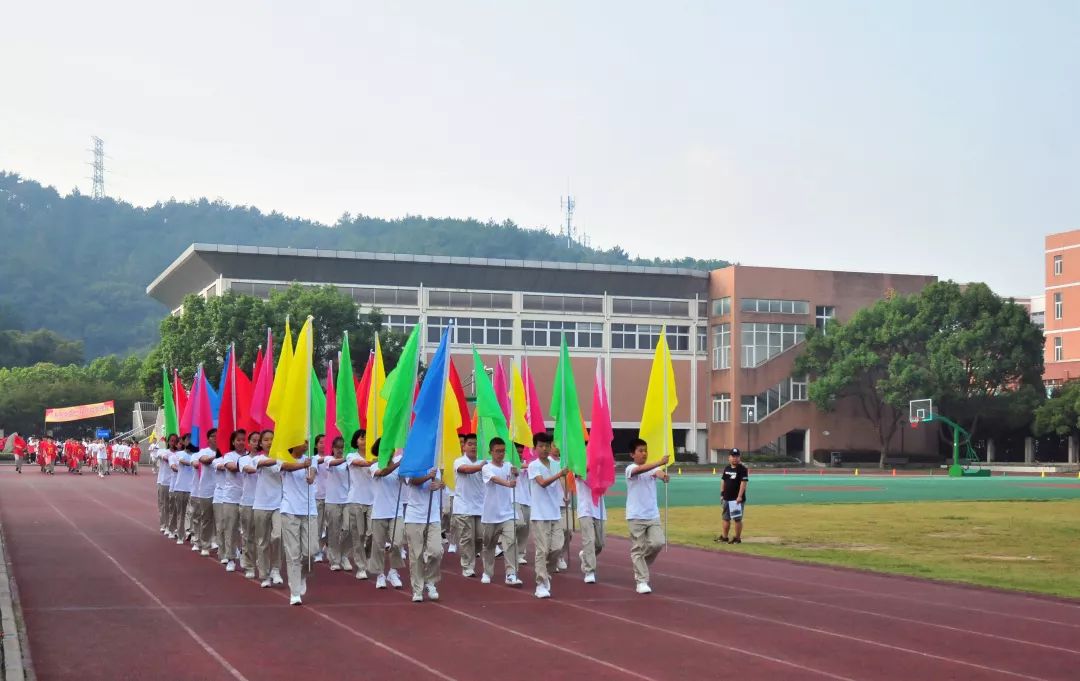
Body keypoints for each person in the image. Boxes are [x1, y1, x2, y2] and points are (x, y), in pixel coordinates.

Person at [528, 432, 570, 599]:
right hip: (539, 514)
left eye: (547, 446)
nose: (544, 449)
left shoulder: (554, 464)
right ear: (535, 448)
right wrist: (559, 475)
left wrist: (565, 495)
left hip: (554, 513)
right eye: (541, 446)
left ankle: (546, 572)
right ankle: (540, 583)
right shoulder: (534, 466)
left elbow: (560, 482)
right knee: (542, 550)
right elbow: (542, 483)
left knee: (557, 547)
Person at [625, 438, 669, 594]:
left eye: (645, 450)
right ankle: (641, 581)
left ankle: (640, 564)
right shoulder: (630, 468)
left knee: (658, 542)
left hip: (652, 515)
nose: (644, 453)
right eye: (640, 451)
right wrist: (659, 462)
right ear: (632, 454)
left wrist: (663, 475)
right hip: (636, 516)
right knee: (638, 547)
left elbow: (657, 472)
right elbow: (640, 470)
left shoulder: (651, 469)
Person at [278, 440, 318, 605]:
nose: (306, 445)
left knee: (311, 552)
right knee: (293, 552)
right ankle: (294, 592)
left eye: (307, 442)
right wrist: (302, 466)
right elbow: (286, 467)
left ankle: (302, 574)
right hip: (290, 511)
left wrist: (311, 476)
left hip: (309, 510)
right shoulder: (282, 459)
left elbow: (313, 473)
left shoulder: (311, 459)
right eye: (303, 442)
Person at [479, 438, 522, 586]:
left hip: (508, 513)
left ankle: (511, 573)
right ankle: (487, 572)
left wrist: (517, 473)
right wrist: (508, 483)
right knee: (489, 545)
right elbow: (495, 479)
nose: (501, 454)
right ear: (491, 452)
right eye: (497, 451)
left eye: (503, 451)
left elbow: (517, 474)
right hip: (491, 514)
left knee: (511, 543)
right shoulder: (486, 468)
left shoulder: (509, 465)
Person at [402, 463, 445, 602]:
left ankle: (430, 581)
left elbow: (441, 483)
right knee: (416, 555)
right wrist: (428, 477)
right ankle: (417, 590)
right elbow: (411, 481)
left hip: (432, 516)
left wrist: (439, 485)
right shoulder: (412, 464)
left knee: (436, 551)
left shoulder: (435, 466)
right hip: (414, 516)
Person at [366, 439, 404, 590]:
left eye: (390, 448)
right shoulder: (374, 466)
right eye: (385, 449)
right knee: (378, 546)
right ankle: (380, 574)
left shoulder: (399, 466)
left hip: (396, 511)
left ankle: (393, 572)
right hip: (379, 512)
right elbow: (382, 473)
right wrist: (399, 464)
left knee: (397, 542)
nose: (389, 451)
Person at [252, 430, 284, 588]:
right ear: (261, 443)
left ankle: (276, 569)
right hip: (261, 504)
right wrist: (280, 458)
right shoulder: (258, 459)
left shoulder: (282, 459)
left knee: (277, 536)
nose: (269, 442)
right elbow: (264, 464)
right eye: (266, 440)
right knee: (262, 541)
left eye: (272, 439)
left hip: (279, 504)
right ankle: (264, 574)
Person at [452, 433, 484, 577]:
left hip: (480, 507)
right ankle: (467, 566)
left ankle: (472, 556)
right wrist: (481, 466)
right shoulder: (459, 461)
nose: (473, 447)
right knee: (467, 538)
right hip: (463, 506)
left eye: (476, 444)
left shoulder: (484, 462)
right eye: (470, 444)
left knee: (480, 538)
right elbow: (466, 470)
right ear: (464, 446)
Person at [344, 429, 374, 580]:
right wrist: (373, 461)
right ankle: (361, 567)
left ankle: (367, 557)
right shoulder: (351, 456)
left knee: (372, 533)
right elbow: (360, 463)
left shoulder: (374, 457)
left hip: (373, 501)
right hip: (356, 500)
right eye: (362, 438)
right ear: (356, 441)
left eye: (367, 438)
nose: (364, 441)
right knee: (359, 535)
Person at [323, 436, 353, 572]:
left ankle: (344, 555)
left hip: (347, 500)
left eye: (342, 448)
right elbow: (335, 463)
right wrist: (347, 459)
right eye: (337, 448)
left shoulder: (348, 462)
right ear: (333, 448)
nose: (340, 450)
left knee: (349, 528)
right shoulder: (328, 460)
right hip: (332, 501)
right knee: (334, 531)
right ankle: (335, 559)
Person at [218, 430, 245, 572]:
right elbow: (232, 468)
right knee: (230, 528)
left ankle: (245, 554)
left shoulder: (251, 456)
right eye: (238, 440)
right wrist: (248, 462)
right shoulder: (228, 456)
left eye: (243, 440)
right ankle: (230, 558)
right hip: (231, 498)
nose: (241, 442)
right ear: (233, 442)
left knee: (247, 530)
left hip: (247, 499)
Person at [191, 431, 220, 556]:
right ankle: (205, 545)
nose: (216, 438)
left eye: (218, 436)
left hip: (221, 492)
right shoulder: (204, 452)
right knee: (206, 519)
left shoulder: (227, 453)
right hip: (206, 491)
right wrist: (218, 455)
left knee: (221, 521)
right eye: (213, 436)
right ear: (208, 439)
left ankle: (220, 545)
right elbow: (205, 461)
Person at [238, 431, 262, 579]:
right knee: (248, 536)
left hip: (262, 503)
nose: (256, 443)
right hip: (247, 502)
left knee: (263, 537)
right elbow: (249, 470)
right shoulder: (244, 459)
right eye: (253, 440)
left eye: (258, 441)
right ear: (249, 442)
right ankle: (249, 565)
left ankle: (262, 564)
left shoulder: (266, 458)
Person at [576, 473, 607, 584]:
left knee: (599, 544)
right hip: (585, 509)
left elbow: (604, 487)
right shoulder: (579, 465)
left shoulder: (600, 468)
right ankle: (589, 571)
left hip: (599, 509)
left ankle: (585, 555)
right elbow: (580, 475)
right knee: (589, 540)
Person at [718, 448, 749, 544]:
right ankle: (724, 537)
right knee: (725, 518)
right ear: (729, 457)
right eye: (733, 456)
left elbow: (743, 483)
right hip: (726, 498)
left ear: (739, 457)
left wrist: (739, 496)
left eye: (737, 456)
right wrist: (722, 494)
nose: (735, 458)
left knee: (737, 519)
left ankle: (737, 538)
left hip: (736, 500)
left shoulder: (742, 469)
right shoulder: (727, 468)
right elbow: (723, 481)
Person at [171, 435, 198, 545]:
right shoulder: (179, 454)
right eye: (187, 439)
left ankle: (192, 535)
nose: (190, 441)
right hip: (181, 487)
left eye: (192, 439)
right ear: (182, 441)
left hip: (194, 488)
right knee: (181, 513)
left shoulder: (197, 455)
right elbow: (182, 461)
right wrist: (194, 463)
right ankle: (181, 536)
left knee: (193, 513)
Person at [512, 442, 531, 567]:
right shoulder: (509, 464)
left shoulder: (528, 464)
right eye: (517, 452)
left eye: (521, 452)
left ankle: (520, 554)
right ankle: (510, 548)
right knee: (518, 524)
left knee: (525, 528)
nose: (519, 454)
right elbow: (515, 470)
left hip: (527, 499)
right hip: (513, 498)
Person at [312, 434, 328, 563]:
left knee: (332, 527)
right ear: (316, 445)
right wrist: (327, 459)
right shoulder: (314, 459)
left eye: (325, 442)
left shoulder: (332, 458)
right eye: (321, 442)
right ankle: (317, 551)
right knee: (318, 526)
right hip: (318, 496)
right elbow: (315, 464)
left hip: (331, 497)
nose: (323, 444)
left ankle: (325, 547)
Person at [156, 435, 177, 532]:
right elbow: (164, 457)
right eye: (172, 441)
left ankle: (171, 525)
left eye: (175, 441)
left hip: (175, 483)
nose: (173, 443)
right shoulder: (162, 451)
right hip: (163, 482)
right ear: (168, 442)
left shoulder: (180, 453)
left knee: (173, 506)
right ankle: (164, 524)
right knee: (164, 505)